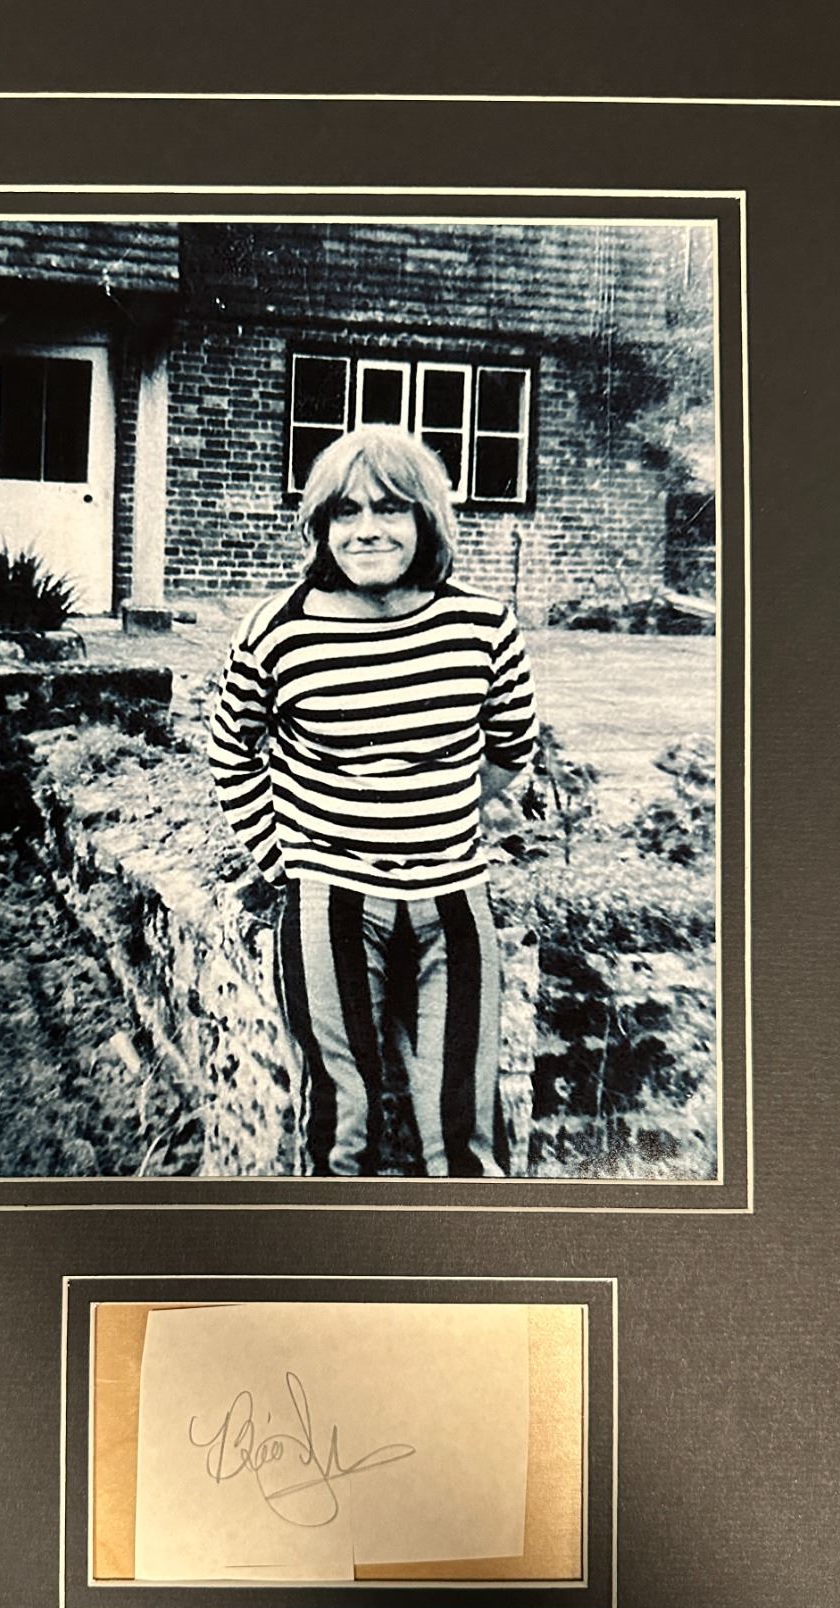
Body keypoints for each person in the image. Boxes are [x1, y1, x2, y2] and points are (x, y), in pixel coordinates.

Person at [208, 426, 538, 1178]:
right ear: (320, 526)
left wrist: (429, 808)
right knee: (341, 1122)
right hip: (332, 899)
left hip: (452, 898)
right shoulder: (278, 632)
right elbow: (231, 750)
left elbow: (510, 749)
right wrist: (280, 857)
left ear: (427, 519)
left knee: (462, 1127)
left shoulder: (484, 626)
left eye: (391, 508)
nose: (367, 529)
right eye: (345, 511)